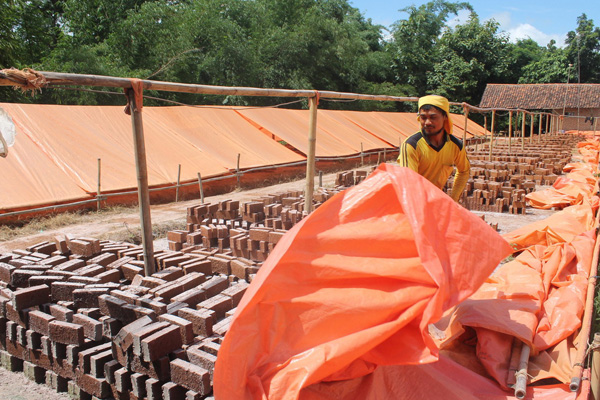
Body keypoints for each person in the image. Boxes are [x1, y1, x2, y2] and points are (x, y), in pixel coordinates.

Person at [397, 95, 470, 202]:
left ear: (445, 116)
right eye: (423, 117)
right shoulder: (411, 145)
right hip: (411, 203)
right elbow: (410, 184)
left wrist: (454, 200)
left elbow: (464, 171)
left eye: (433, 117)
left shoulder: (456, 145)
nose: (427, 123)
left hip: (434, 201)